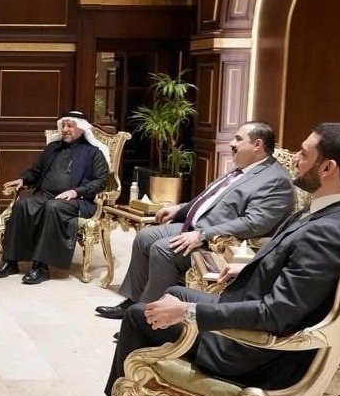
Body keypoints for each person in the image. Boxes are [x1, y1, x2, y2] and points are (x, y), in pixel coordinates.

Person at [70, 122, 340, 396]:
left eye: (304, 153)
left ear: (328, 168)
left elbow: (277, 313)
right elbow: (301, 278)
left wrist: (190, 313)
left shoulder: (327, 231)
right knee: (173, 294)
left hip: (258, 352)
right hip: (261, 323)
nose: (295, 159)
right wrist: (249, 268)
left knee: (139, 318)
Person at [95, 121, 293, 319]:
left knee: (163, 249)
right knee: (145, 236)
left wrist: (202, 235)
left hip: (220, 242)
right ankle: (133, 302)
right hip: (196, 226)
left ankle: (146, 316)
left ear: (257, 145)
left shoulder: (275, 180)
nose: (231, 143)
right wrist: (179, 208)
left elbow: (255, 223)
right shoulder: (243, 168)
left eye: (238, 139)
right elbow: (208, 199)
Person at [0, 111, 111, 284]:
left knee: (53, 207)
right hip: (45, 195)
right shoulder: (52, 148)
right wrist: (23, 180)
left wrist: (76, 191)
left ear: (81, 128)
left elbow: (101, 181)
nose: (65, 129)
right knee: (22, 205)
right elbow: (36, 171)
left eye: (70, 126)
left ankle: (41, 266)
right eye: (63, 125)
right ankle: (10, 261)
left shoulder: (93, 153)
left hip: (77, 200)